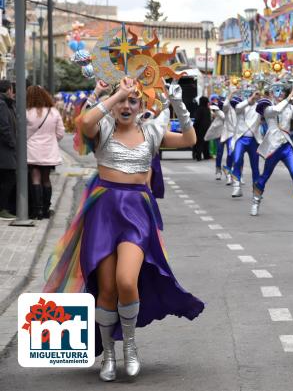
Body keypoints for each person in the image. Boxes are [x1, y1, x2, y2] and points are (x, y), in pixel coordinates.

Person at [43, 48, 204, 382]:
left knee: (127, 281)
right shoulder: (101, 130)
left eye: (133, 101)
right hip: (103, 210)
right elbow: (85, 121)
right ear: (115, 105)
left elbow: (190, 139)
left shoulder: (151, 133)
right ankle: (109, 356)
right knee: (107, 289)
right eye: (123, 102)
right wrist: (111, 92)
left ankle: (129, 344)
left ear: (142, 105)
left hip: (136, 211)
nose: (127, 106)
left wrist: (177, 105)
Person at [252, 80, 293, 216]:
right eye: (277, 90)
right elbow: (277, 110)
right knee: (265, 176)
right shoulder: (266, 106)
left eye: (282, 91)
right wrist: (291, 95)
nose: (280, 93)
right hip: (273, 147)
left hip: (286, 146)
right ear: (271, 93)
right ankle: (255, 201)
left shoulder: (289, 108)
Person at [26, 85, 65, 219]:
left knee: (35, 178)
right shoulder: (53, 112)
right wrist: (51, 140)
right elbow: (60, 133)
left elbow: (23, 134)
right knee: (46, 179)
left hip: (32, 150)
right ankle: (47, 209)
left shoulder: (27, 112)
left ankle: (38, 211)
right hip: (49, 151)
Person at [230, 85, 263, 198]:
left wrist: (263, 97)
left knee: (255, 166)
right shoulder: (241, 105)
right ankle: (236, 187)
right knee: (237, 160)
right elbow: (238, 108)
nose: (251, 96)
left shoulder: (259, 106)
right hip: (241, 139)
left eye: (252, 93)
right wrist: (250, 99)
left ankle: (256, 190)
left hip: (254, 140)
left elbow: (271, 109)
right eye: (248, 94)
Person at [0, 80, 17, 220]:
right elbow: (4, 127)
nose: (14, 93)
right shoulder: (2, 104)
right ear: (8, 90)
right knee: (9, 178)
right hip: (5, 149)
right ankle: (2, 208)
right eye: (12, 90)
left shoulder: (6, 103)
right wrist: (12, 143)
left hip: (5, 148)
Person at [204, 94, 226, 180]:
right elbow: (223, 117)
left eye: (217, 99)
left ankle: (232, 172)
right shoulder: (216, 110)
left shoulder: (227, 109)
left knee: (232, 154)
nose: (215, 100)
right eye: (214, 99)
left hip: (229, 133)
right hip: (219, 134)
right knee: (219, 153)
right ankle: (218, 170)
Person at [193, 96, 212, 161]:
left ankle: (198, 156)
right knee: (206, 142)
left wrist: (194, 126)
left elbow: (197, 120)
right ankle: (206, 155)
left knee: (199, 142)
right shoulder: (207, 109)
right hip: (207, 128)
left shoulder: (199, 109)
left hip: (200, 129)